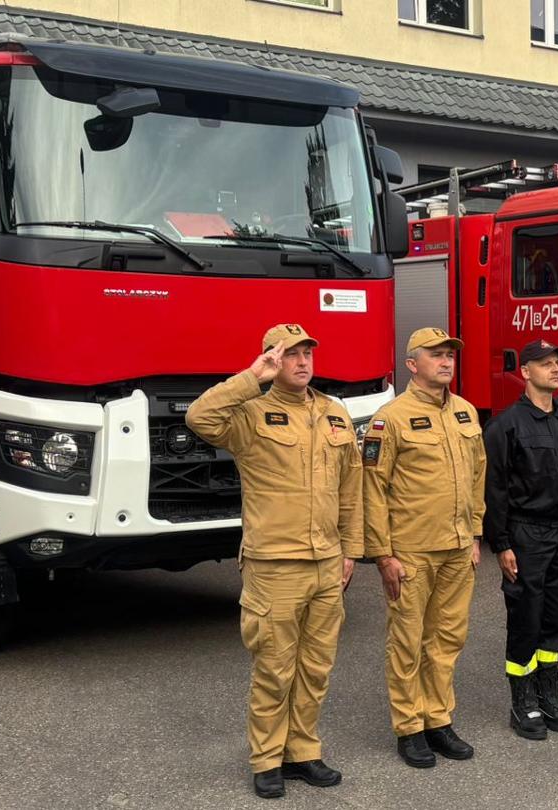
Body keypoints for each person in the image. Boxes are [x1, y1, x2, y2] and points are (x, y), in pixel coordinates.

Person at [186, 323, 360, 799]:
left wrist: (351, 551)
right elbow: (200, 418)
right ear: (271, 360)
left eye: (307, 353)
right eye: (290, 355)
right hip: (274, 565)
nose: (302, 362)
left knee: (316, 666)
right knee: (275, 667)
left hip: (326, 562)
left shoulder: (334, 414)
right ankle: (266, 758)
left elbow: (351, 491)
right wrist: (252, 376)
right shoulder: (250, 415)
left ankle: (303, 751)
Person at [362, 327, 487, 769]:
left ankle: (438, 719)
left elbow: (477, 478)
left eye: (450, 354)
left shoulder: (466, 413)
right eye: (436, 355)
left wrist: (474, 535)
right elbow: (372, 488)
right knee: (408, 641)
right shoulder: (389, 418)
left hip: (457, 548)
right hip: (411, 552)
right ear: (412, 365)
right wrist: (383, 555)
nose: (446, 362)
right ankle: (409, 727)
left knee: (447, 639)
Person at [482, 340, 558, 741]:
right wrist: (503, 544)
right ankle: (522, 700)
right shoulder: (506, 425)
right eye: (544, 364)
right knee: (526, 618)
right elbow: (494, 491)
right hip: (527, 534)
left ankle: (549, 692)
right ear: (525, 372)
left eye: (557, 363)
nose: (555, 370)